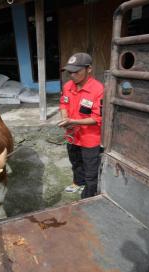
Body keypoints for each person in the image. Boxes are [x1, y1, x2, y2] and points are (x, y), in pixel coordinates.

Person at [58, 53, 104, 199]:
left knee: (91, 168)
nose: (72, 75)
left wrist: (73, 122)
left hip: (90, 138)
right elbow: (63, 104)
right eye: (70, 72)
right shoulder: (68, 86)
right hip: (72, 135)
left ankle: (89, 195)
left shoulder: (98, 89)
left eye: (76, 71)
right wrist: (65, 118)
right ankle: (78, 182)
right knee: (75, 162)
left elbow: (98, 118)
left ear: (89, 69)